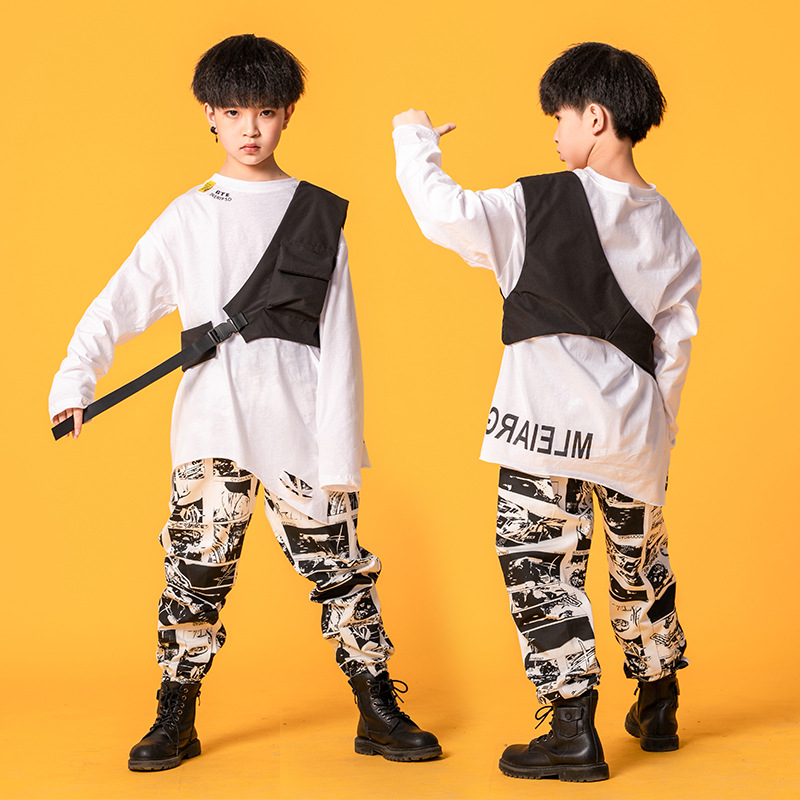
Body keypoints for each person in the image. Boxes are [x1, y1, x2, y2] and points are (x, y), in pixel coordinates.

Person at [50, 33, 440, 772]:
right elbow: (118, 303)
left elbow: (341, 342)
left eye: (264, 111)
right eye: (233, 112)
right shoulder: (189, 215)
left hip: (300, 429)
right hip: (212, 426)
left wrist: (340, 451)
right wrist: (75, 382)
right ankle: (175, 714)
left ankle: (378, 708)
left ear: (287, 113)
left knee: (342, 573)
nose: (250, 128)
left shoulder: (318, 215)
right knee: (194, 574)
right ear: (210, 114)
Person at [392, 41, 700, 782]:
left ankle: (571, 732)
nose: (554, 134)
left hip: (544, 427)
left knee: (540, 566)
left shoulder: (535, 204)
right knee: (639, 564)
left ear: (594, 118)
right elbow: (675, 348)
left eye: (559, 118)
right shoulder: (670, 226)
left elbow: (442, 213)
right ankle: (658, 702)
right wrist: (659, 436)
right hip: (634, 432)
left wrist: (414, 138)